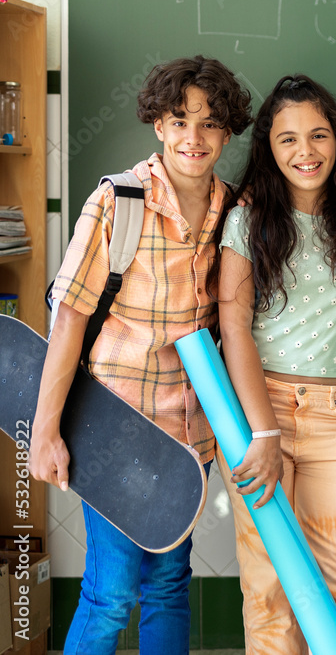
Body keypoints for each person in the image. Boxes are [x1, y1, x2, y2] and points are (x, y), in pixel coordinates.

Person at [29, 56, 252, 654]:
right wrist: (45, 431)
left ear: (228, 133)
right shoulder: (118, 202)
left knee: (169, 587)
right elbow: (70, 316)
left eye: (209, 124)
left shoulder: (236, 212)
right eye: (179, 121)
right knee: (112, 593)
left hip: (188, 437)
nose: (194, 138)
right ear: (158, 124)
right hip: (114, 426)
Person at [209, 74, 336, 655]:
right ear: (269, 146)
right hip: (256, 415)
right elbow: (233, 324)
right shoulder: (248, 220)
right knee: (269, 594)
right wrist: (262, 430)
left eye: (318, 136)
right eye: (288, 139)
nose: (305, 151)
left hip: (335, 419)